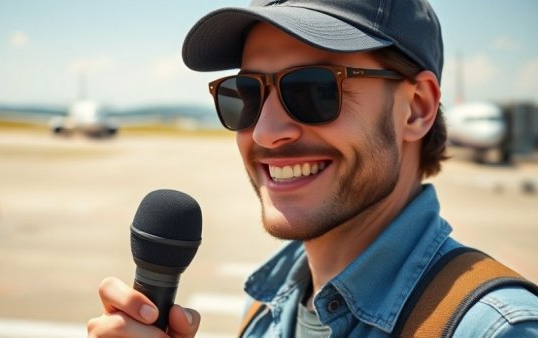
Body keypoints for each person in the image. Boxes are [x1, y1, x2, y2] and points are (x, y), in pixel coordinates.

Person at [87, 1, 538, 337]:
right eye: (245, 94)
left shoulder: (492, 329)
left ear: (417, 108)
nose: (265, 132)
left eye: (314, 90)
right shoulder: (267, 306)